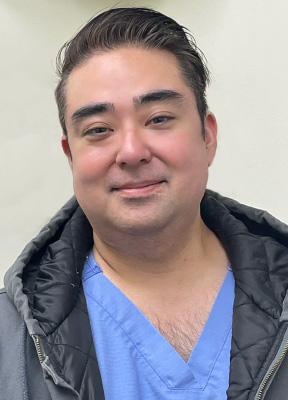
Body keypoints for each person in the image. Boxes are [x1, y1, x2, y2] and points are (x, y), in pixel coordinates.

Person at [1, 7, 288, 400]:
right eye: (99, 130)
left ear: (207, 137)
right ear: (71, 156)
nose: (132, 152)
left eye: (158, 118)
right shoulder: (8, 339)